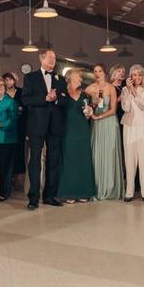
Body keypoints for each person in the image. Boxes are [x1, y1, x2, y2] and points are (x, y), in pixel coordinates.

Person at [21, 49, 67, 209]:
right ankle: (33, 198)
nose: (53, 61)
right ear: (41, 58)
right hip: (36, 126)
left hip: (55, 125)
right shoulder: (30, 77)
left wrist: (55, 100)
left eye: (55, 58)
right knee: (35, 161)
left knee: (53, 161)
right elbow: (25, 99)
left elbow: (65, 101)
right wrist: (44, 98)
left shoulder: (60, 79)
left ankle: (50, 196)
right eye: (50, 58)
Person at [56, 69, 96, 203]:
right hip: (67, 130)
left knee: (83, 159)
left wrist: (89, 112)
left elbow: (89, 112)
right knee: (69, 160)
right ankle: (69, 193)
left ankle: (84, 192)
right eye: (78, 77)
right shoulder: (62, 94)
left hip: (83, 130)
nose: (81, 79)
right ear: (70, 78)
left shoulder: (85, 95)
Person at [87, 64, 123, 200]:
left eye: (100, 71)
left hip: (109, 123)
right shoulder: (89, 89)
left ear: (105, 73)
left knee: (109, 154)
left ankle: (109, 188)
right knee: (96, 154)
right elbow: (84, 108)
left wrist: (99, 117)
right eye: (95, 71)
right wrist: (93, 106)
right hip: (95, 125)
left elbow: (113, 110)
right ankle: (95, 187)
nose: (97, 74)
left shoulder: (111, 87)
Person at [120, 64, 144, 202]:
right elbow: (125, 107)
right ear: (131, 77)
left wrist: (134, 91)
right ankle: (129, 192)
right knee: (129, 159)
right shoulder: (124, 89)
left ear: (143, 76)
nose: (137, 77)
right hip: (129, 127)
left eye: (140, 74)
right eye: (134, 75)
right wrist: (128, 91)